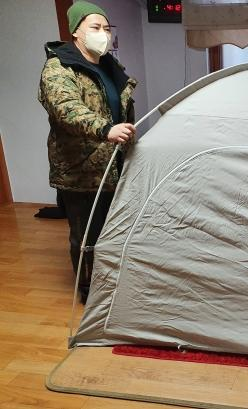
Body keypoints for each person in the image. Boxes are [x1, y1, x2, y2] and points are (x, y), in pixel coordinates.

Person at [38, 1, 137, 304]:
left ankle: (115, 284)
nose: (103, 34)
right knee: (86, 236)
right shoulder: (59, 68)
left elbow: (121, 108)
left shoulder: (110, 66)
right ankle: (90, 293)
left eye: (106, 28)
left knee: (115, 229)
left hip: (114, 164)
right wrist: (105, 129)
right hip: (80, 169)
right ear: (76, 31)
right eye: (95, 27)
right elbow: (65, 109)